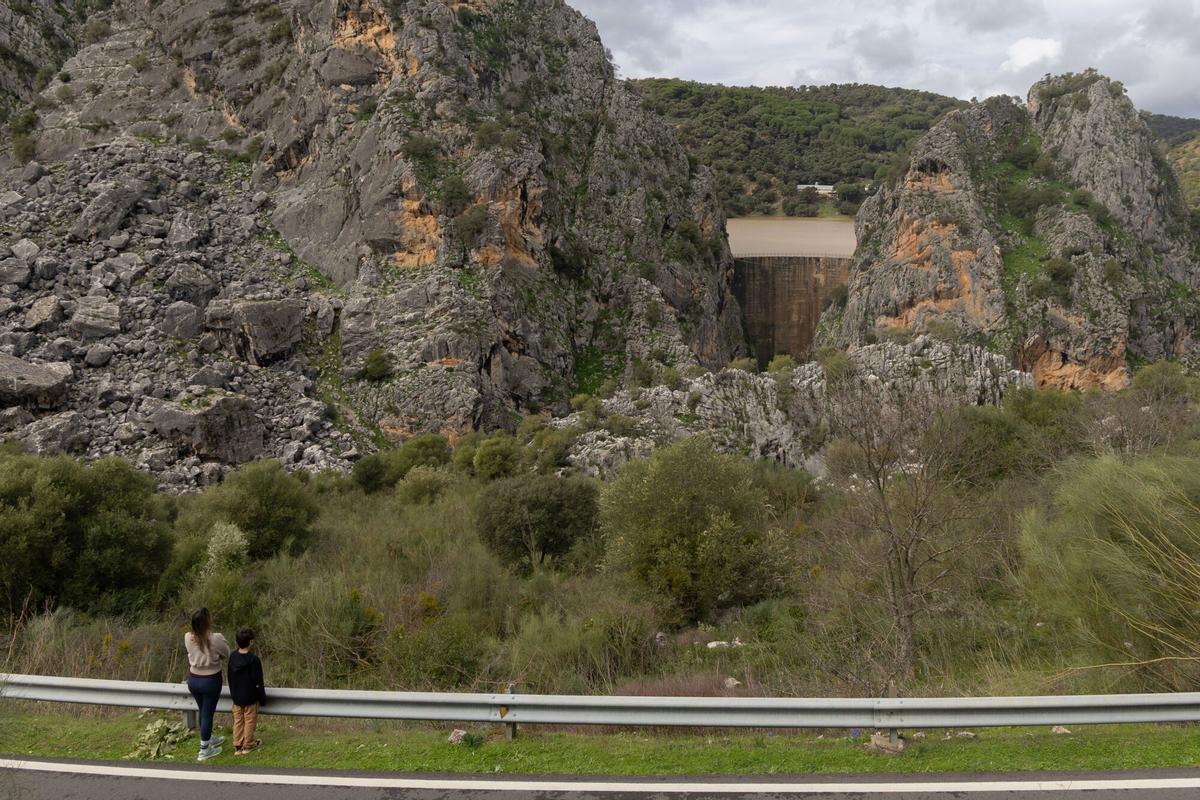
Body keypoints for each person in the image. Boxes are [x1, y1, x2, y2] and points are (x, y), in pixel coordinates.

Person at [184, 607, 231, 761]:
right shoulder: (215, 638)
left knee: (203, 710)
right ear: (208, 621)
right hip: (210, 680)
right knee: (207, 714)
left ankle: (208, 738)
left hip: (193, 679)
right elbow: (227, 653)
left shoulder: (187, 637)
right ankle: (204, 750)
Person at [227, 628, 267, 755]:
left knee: (238, 721)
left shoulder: (233, 657)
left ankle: (238, 745)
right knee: (249, 720)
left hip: (236, 697)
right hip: (250, 697)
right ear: (251, 642)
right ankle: (248, 744)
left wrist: (233, 693)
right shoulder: (253, 660)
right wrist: (262, 698)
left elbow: (229, 676)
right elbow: (258, 681)